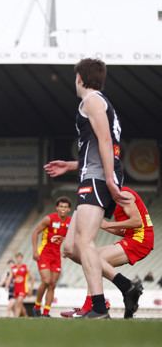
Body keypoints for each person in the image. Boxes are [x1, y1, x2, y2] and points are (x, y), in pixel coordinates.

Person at [44, 58, 134, 319]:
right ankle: (126, 286)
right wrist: (71, 165)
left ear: (80, 79)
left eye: (75, 78)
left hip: (97, 178)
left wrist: (108, 179)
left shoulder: (92, 100)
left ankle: (98, 307)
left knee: (84, 242)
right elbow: (98, 146)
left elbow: (106, 141)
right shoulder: (101, 103)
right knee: (71, 248)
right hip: (92, 175)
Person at [60, 187, 153, 318]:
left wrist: (107, 224)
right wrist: (103, 225)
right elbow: (123, 230)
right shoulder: (114, 198)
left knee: (93, 259)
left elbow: (137, 222)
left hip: (140, 240)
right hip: (132, 238)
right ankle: (101, 302)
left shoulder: (124, 194)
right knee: (90, 258)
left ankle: (92, 305)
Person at [31, 196, 72, 317]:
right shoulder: (49, 219)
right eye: (61, 206)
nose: (63, 209)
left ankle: (46, 313)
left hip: (56, 256)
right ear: (57, 208)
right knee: (46, 281)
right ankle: (37, 306)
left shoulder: (70, 222)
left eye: (65, 207)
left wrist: (66, 251)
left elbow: (71, 239)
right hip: (44, 254)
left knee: (53, 284)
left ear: (69, 209)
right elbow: (35, 232)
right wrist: (34, 250)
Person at [5, 253, 34, 317]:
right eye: (17, 258)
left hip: (23, 288)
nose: (19, 260)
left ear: (22, 259)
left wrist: (31, 288)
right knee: (20, 305)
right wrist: (7, 285)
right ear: (16, 259)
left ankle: (16, 319)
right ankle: (26, 315)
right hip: (16, 289)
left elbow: (32, 277)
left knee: (19, 303)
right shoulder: (13, 268)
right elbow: (10, 277)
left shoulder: (25, 267)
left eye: (20, 258)